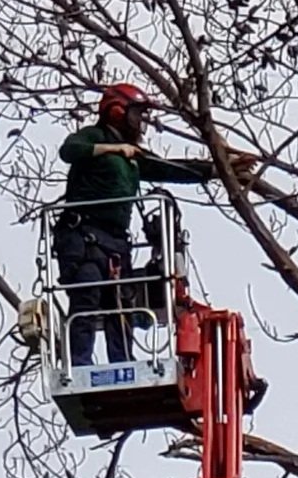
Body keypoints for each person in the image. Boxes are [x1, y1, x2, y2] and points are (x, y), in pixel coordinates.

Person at [53, 84, 253, 365]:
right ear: (117, 112)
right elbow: (69, 151)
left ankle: (122, 366)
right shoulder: (94, 137)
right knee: (87, 296)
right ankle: (79, 367)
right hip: (83, 236)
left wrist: (219, 168)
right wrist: (113, 149)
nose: (141, 121)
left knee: (119, 305)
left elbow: (170, 168)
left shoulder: (133, 157)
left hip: (114, 241)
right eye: (138, 114)